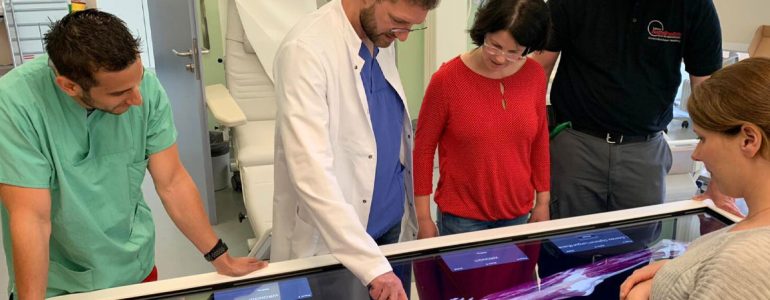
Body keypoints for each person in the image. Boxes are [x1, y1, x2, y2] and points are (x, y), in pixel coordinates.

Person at [0, 10, 266, 299]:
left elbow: (172, 181)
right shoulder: (15, 105)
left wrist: (220, 257)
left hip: (133, 265)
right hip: (59, 283)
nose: (137, 98)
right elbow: (32, 219)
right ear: (69, 86)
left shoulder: (146, 89)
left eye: (138, 81)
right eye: (119, 93)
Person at [270, 0, 439, 299]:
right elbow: (311, 174)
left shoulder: (379, 38)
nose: (404, 36)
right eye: (399, 21)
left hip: (390, 227)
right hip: (339, 245)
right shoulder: (305, 50)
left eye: (412, 25)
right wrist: (372, 266)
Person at [530, 0, 739, 219]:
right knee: (564, 243)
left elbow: (709, 94)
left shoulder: (693, 5)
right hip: (576, 146)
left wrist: (718, 183)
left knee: (638, 246)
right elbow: (538, 70)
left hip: (644, 151)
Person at [619, 57, 770, 300]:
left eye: (703, 139)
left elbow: (738, 272)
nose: (697, 154)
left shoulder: (743, 263)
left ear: (749, 140)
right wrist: (677, 274)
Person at [413, 0, 550, 238]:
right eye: (494, 46)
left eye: (514, 52)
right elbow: (423, 149)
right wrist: (423, 218)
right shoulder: (447, 80)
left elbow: (539, 141)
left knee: (516, 277)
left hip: (518, 214)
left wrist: (543, 201)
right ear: (483, 31)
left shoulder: (535, 75)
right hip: (462, 219)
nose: (500, 58)